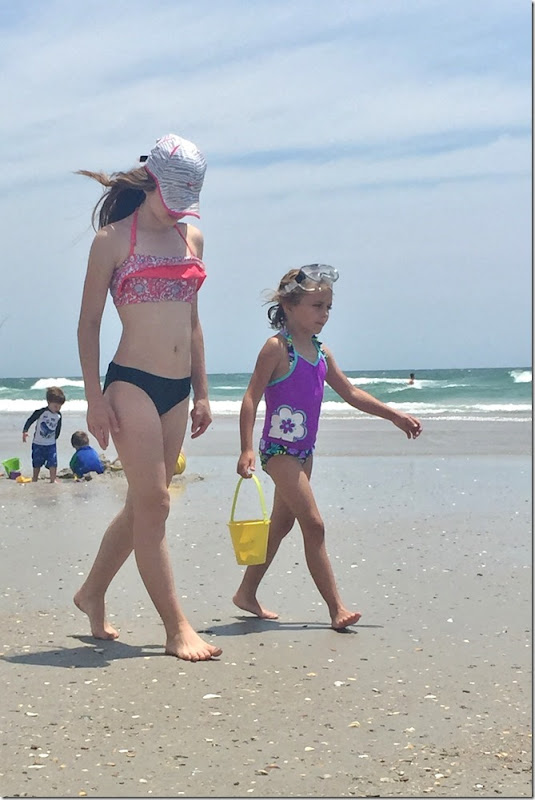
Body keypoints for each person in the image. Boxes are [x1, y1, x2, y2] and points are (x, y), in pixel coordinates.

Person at [74, 133, 222, 661]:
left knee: (142, 504)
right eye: (171, 197)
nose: (177, 209)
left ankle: (91, 592)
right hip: (131, 382)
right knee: (156, 503)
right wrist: (94, 399)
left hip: (177, 390)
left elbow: (193, 322)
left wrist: (202, 392)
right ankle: (176, 627)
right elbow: (89, 323)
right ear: (151, 183)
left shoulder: (191, 238)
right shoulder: (113, 240)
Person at [234, 265, 422, 629]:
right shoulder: (277, 349)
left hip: (305, 453)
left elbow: (350, 393)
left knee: (281, 525)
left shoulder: (321, 353)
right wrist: (246, 448)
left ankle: (246, 592)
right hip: (279, 452)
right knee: (314, 525)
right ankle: (336, 608)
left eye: (328, 307)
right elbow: (251, 397)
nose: (325, 314)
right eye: (317, 306)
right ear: (289, 306)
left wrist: (394, 415)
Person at [22, 386, 66, 483]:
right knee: (36, 462)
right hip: (38, 443)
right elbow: (30, 420)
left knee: (53, 462)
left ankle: (53, 479)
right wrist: (25, 431)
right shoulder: (41, 412)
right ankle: (35, 478)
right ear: (49, 402)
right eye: (55, 406)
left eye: (60, 407)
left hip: (51, 444)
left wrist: (55, 438)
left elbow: (58, 427)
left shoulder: (58, 415)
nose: (58, 408)